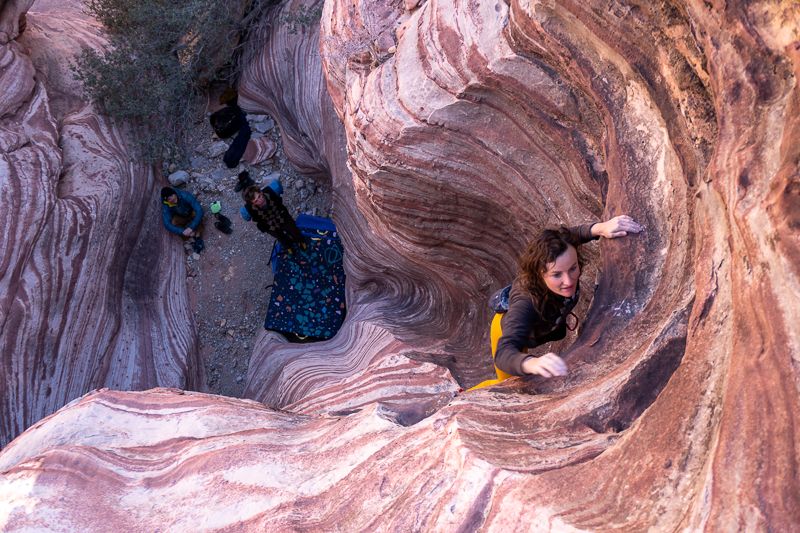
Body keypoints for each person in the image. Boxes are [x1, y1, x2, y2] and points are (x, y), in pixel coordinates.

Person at [469, 215, 642, 390]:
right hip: (507, 329)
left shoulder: (564, 252)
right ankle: (466, 395)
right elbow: (504, 353)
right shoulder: (525, 302)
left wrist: (600, 228)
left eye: (573, 268)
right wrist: (532, 363)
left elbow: (571, 236)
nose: (568, 281)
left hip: (531, 327)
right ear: (539, 274)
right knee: (507, 386)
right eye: (557, 275)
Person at [242, 184, 305, 251]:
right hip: (268, 223)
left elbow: (279, 203)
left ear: (261, 192)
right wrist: (267, 228)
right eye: (256, 201)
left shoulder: (270, 193)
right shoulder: (251, 210)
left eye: (259, 196)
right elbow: (258, 220)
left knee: (293, 229)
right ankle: (288, 247)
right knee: (280, 237)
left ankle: (300, 240)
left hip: (281, 215)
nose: (260, 201)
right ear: (253, 203)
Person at [160, 186, 205, 253]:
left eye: (172, 196)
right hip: (181, 216)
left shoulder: (184, 195)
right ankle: (190, 236)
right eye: (169, 199)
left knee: (197, 214)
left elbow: (199, 210)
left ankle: (198, 236)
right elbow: (167, 224)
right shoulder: (167, 204)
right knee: (173, 222)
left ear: (174, 193)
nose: (171, 200)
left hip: (190, 212)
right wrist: (182, 231)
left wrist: (191, 227)